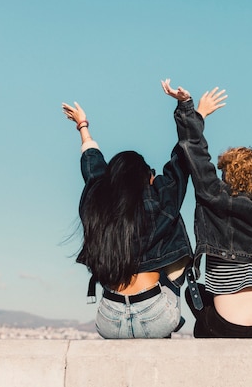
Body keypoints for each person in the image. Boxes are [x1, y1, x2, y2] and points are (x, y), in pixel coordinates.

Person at [161, 79, 252, 338]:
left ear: (226, 173)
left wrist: (187, 108)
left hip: (224, 322)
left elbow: (195, 152)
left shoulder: (213, 194)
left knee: (199, 300)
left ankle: (225, 326)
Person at [62, 100, 192, 338]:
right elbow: (180, 165)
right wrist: (190, 114)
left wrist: (83, 126)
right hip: (156, 316)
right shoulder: (159, 199)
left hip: (108, 319)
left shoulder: (98, 201)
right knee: (169, 226)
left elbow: (92, 166)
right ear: (145, 177)